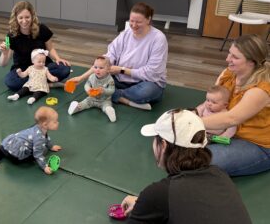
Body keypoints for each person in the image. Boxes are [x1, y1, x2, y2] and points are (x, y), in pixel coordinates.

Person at [119, 109, 251, 223]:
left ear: (163, 146)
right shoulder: (220, 174)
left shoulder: (158, 193)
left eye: (155, 139)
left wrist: (146, 205)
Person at [68, 2, 168, 111]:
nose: (134, 25)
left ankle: (112, 95)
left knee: (146, 92)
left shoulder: (158, 39)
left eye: (138, 22)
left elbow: (152, 73)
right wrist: (81, 78)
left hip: (145, 82)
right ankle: (125, 100)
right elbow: (106, 59)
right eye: (131, 21)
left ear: (148, 20)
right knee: (95, 80)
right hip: (120, 80)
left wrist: (121, 70)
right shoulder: (125, 34)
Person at [203, 34, 270, 176]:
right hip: (226, 133)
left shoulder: (261, 89)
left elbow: (232, 118)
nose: (228, 59)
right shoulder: (228, 73)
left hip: (256, 144)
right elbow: (210, 102)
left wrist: (188, 123)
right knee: (179, 148)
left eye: (235, 57)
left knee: (198, 160)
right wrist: (189, 113)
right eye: (229, 53)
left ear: (252, 62)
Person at [0, 1, 71, 92]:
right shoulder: (10, 36)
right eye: (20, 18)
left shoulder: (42, 29)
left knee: (64, 69)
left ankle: (31, 85)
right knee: (10, 82)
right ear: (16, 18)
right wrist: (4, 54)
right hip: (24, 70)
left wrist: (57, 58)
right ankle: (46, 84)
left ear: (32, 16)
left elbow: (50, 48)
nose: (24, 21)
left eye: (27, 17)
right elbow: (2, 64)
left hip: (42, 66)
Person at [0, 106, 62, 175]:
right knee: (43, 151)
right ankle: (7, 157)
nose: (58, 123)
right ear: (45, 125)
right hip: (15, 157)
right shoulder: (39, 138)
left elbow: (46, 138)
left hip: (9, 144)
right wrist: (44, 167)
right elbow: (38, 155)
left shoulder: (37, 128)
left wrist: (51, 147)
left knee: (2, 148)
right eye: (55, 122)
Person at [68, 56, 116, 122]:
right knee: (84, 103)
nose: (97, 70)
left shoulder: (110, 80)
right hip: (91, 98)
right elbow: (87, 84)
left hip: (104, 100)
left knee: (107, 106)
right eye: (95, 67)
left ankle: (109, 111)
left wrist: (104, 90)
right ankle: (75, 108)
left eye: (101, 68)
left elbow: (112, 90)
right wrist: (88, 89)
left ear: (108, 69)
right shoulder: (92, 76)